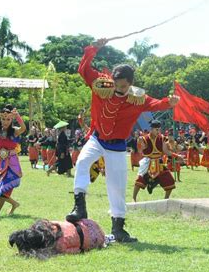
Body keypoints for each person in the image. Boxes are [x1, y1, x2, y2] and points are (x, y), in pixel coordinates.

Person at [65, 38, 179, 243]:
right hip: (97, 139)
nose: (118, 90)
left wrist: (169, 102)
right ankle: (79, 206)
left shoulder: (137, 97)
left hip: (117, 146)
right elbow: (83, 69)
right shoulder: (101, 84)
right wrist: (94, 49)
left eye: (123, 86)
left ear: (131, 84)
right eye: (116, 85)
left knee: (116, 186)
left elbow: (155, 104)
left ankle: (118, 228)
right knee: (82, 162)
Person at [132, 120, 180, 202]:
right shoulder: (144, 138)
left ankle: (166, 200)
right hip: (148, 162)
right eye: (156, 129)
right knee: (140, 180)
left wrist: (176, 155)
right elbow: (141, 151)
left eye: (159, 129)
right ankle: (134, 198)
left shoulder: (162, 138)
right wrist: (140, 143)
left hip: (159, 162)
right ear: (151, 129)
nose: (158, 131)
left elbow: (166, 151)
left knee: (170, 180)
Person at [9, 219, 105, 258]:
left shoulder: (59, 246)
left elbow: (78, 250)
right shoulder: (47, 224)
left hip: (95, 238)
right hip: (88, 223)